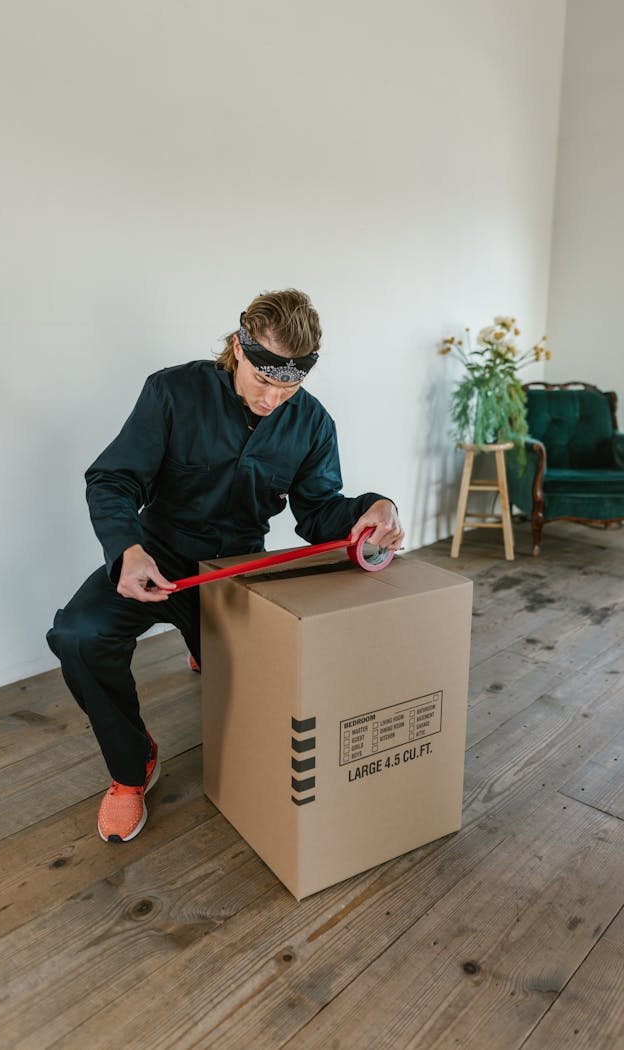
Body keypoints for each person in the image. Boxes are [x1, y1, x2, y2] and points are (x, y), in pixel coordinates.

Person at [47, 289, 404, 843]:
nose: (272, 398)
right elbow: (114, 478)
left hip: (237, 568)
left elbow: (319, 513)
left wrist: (375, 509)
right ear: (239, 348)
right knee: (78, 634)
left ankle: (203, 641)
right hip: (158, 553)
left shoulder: (312, 424)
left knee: (269, 690)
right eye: (264, 381)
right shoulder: (171, 390)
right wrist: (127, 549)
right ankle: (132, 767)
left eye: (289, 386)